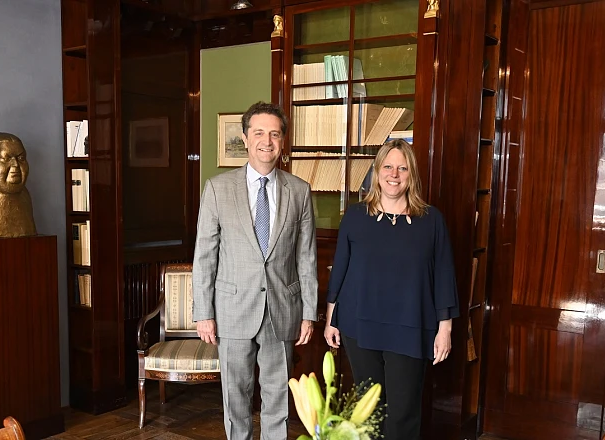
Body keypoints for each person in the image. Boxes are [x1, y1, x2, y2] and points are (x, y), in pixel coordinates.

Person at [192, 101, 318, 440]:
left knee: (278, 395)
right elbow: (205, 254)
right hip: (232, 309)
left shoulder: (300, 191)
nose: (267, 141)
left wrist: (308, 313)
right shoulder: (217, 189)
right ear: (246, 139)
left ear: (282, 141)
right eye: (259, 133)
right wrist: (203, 312)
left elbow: (306, 258)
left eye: (275, 134)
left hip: (282, 308)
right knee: (236, 397)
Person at [324, 139, 459, 440]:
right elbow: (341, 268)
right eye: (387, 166)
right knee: (368, 410)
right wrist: (331, 318)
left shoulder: (431, 221)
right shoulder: (356, 216)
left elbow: (444, 275)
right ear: (377, 171)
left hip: (411, 326)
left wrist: (445, 328)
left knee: (402, 412)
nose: (394, 174)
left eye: (402, 168)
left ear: (412, 175)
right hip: (359, 324)